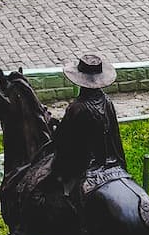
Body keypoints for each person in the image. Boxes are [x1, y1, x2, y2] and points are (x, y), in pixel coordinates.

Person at [53, 54, 127, 204]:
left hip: (86, 168)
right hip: (111, 161)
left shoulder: (77, 108)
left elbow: (62, 142)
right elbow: (115, 136)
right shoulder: (107, 102)